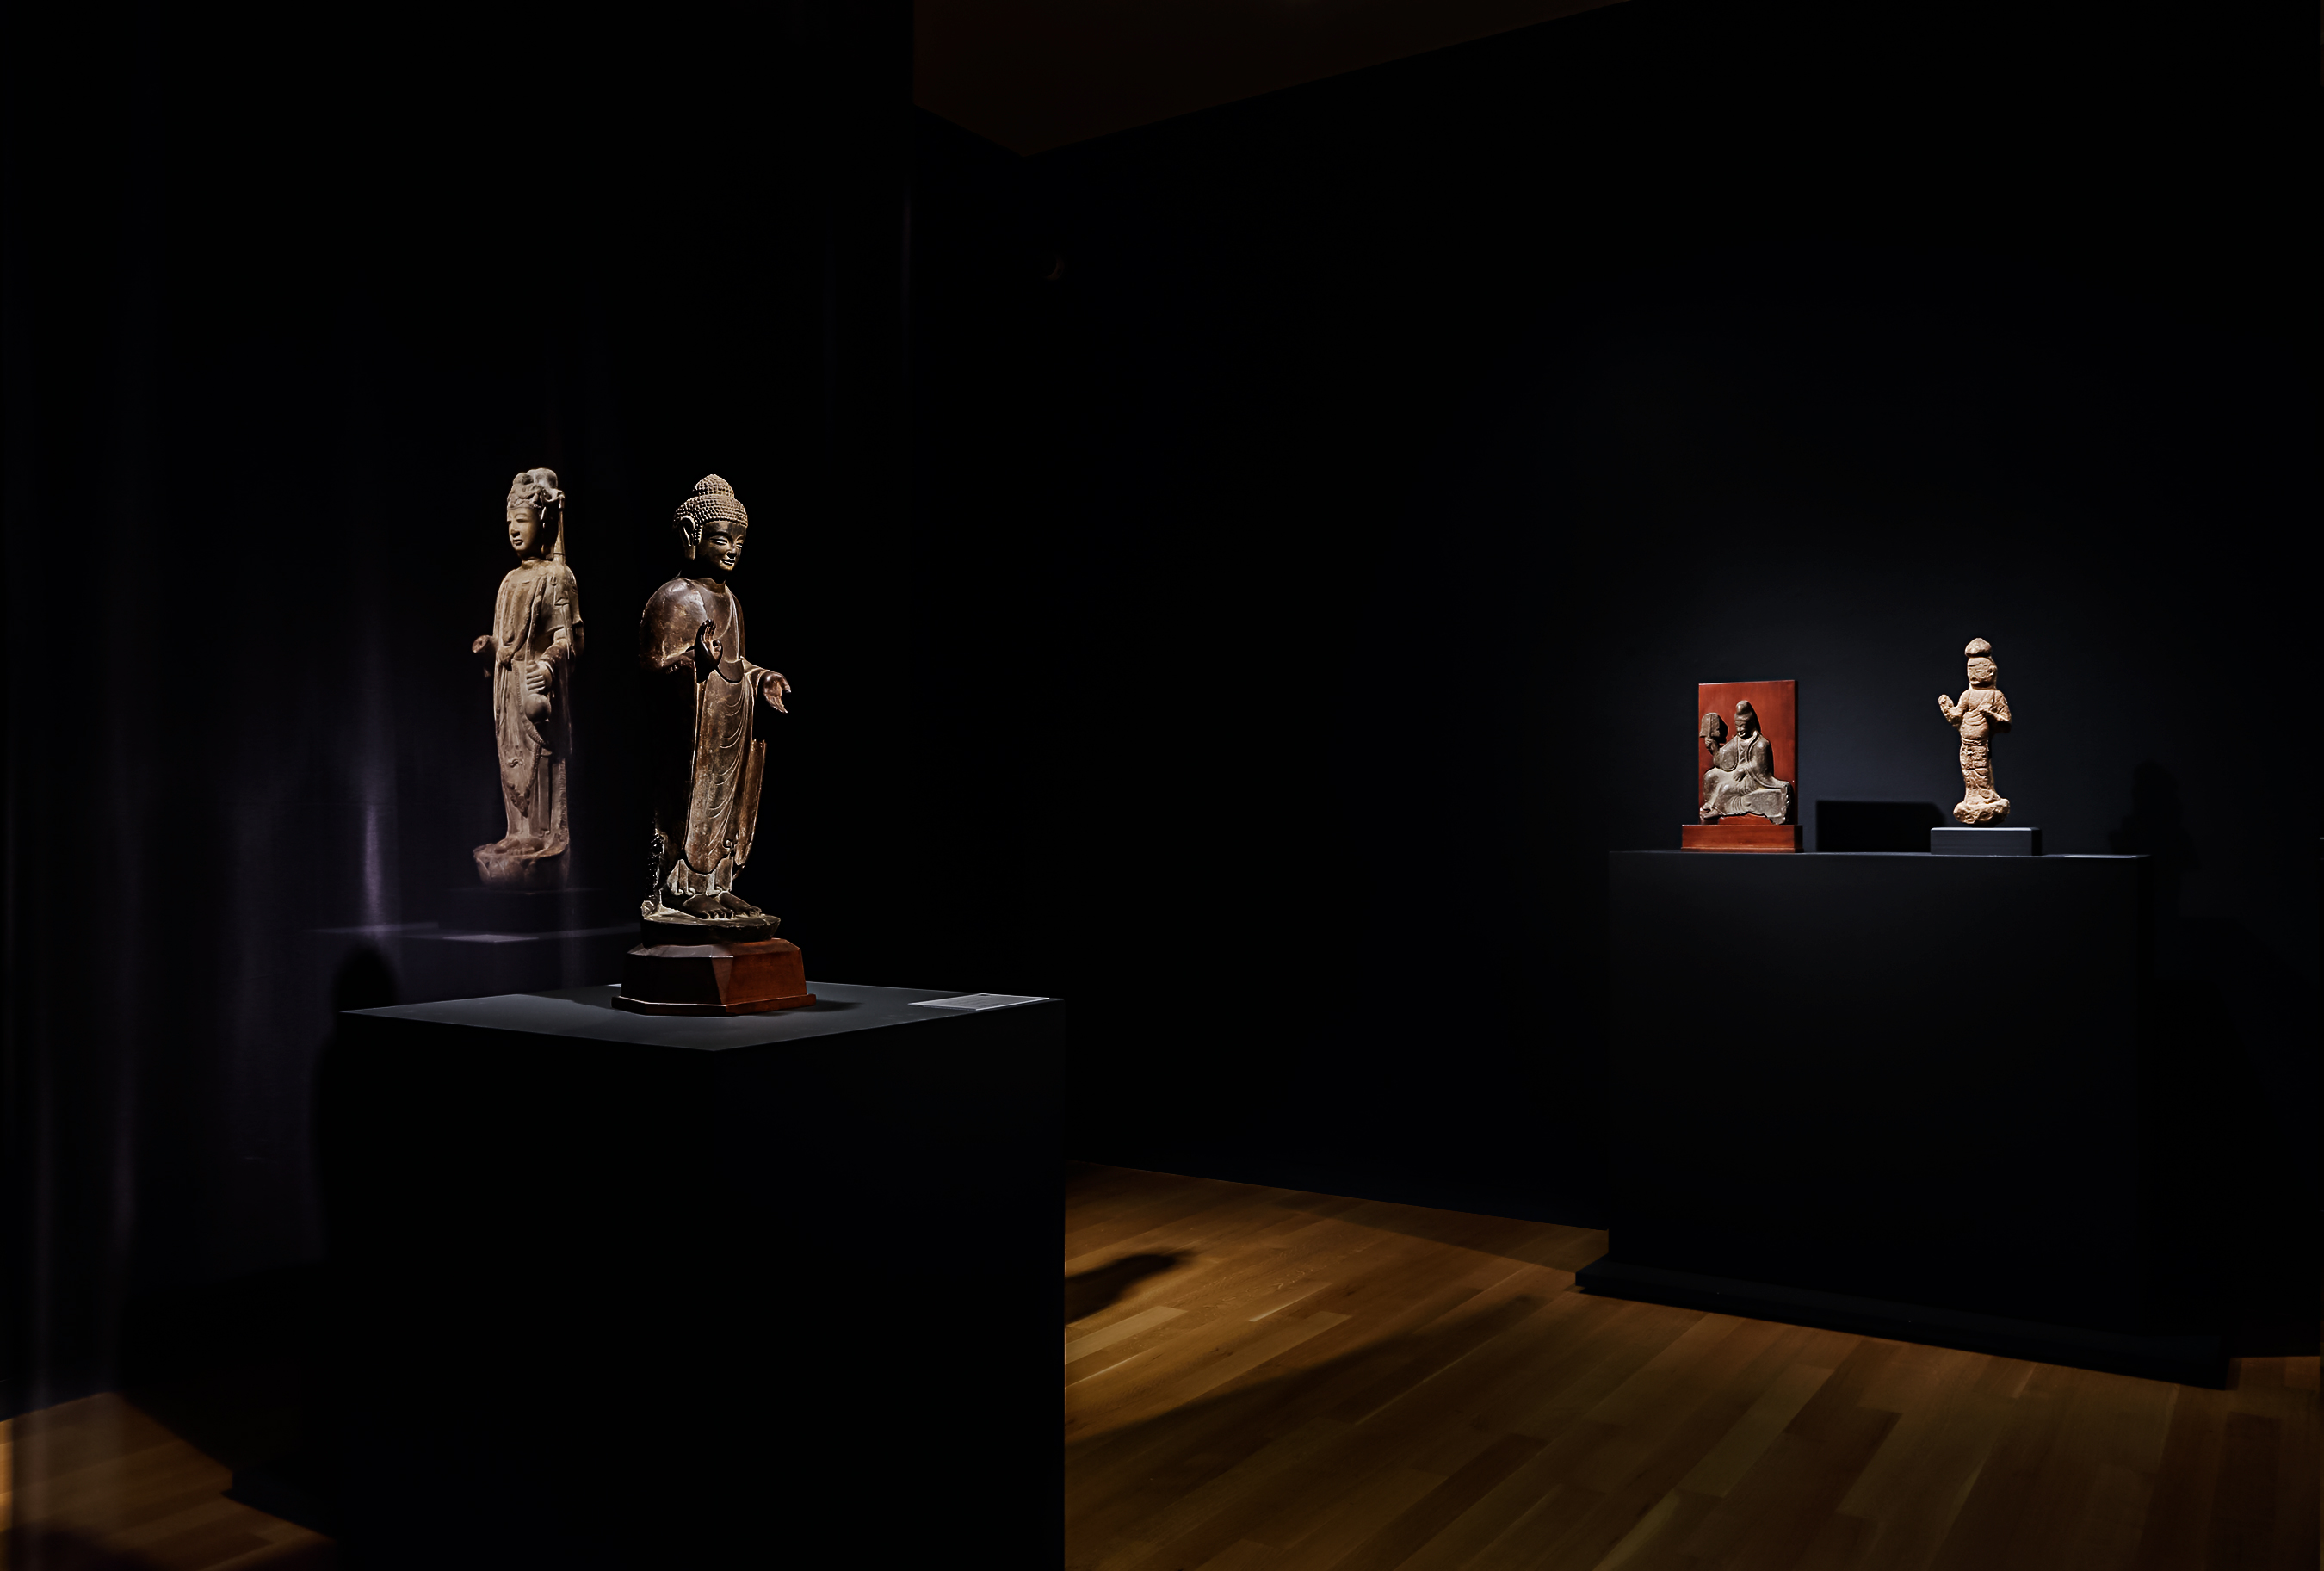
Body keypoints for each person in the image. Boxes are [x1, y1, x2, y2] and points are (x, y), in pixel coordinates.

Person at [636, 475, 792, 923]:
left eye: (740, 542)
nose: (732, 550)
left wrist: (763, 679)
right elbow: (652, 668)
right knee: (693, 801)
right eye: (722, 539)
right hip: (694, 727)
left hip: (731, 719)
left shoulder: (734, 603)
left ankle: (719, 884)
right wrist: (693, 661)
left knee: (727, 803)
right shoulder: (673, 598)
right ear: (692, 535)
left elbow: (736, 664)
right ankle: (682, 887)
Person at [470, 468, 583, 886]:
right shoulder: (508, 581)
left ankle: (541, 836)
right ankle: (516, 833)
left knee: (541, 759)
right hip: (506, 690)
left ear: (544, 522)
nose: (514, 530)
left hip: (535, 686)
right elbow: (505, 641)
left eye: (522, 520)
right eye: (510, 523)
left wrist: (548, 666)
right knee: (510, 760)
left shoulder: (557, 577)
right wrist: (490, 647)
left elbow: (569, 640)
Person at [1937, 638, 2012, 824]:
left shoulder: (1995, 695)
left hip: (1980, 744)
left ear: (1991, 671)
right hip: (1966, 744)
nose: (1973, 675)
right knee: (1968, 772)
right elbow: (1956, 716)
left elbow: (2006, 722)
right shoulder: (1967, 694)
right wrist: (1947, 707)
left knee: (1981, 770)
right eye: (1970, 671)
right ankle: (1972, 800)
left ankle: (1987, 798)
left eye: (1978, 670)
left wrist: (1991, 715)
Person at [1698, 700, 1791, 823]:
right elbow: (1723, 761)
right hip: (1735, 774)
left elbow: (1761, 767)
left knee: (1726, 787)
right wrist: (1715, 749)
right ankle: (1710, 803)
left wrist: (1744, 769)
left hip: (1752, 779)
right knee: (1710, 776)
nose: (1740, 730)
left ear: (1751, 724)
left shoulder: (1761, 744)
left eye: (1743, 726)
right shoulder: (1736, 741)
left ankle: (1719, 810)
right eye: (1737, 727)